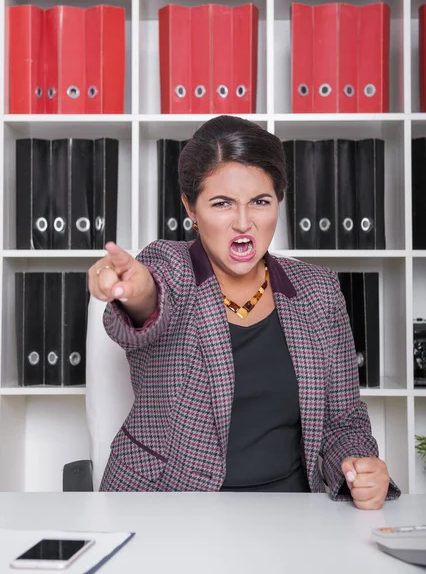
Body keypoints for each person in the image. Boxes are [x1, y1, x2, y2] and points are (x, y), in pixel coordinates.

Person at [88, 115, 400, 508]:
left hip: (290, 512)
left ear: (278, 202)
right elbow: (152, 299)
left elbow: (344, 421)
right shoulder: (169, 266)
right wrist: (133, 291)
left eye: (260, 202)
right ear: (191, 208)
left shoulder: (318, 290)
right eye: (222, 204)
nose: (243, 223)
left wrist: (358, 465)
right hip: (167, 506)